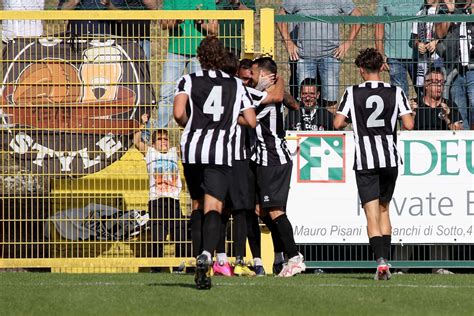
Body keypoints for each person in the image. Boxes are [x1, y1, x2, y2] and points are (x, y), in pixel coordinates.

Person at [173, 36, 256, 289]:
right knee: (214, 206)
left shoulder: (188, 79)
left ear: (200, 57)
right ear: (221, 58)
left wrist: (193, 124)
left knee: (197, 203)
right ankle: (207, 255)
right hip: (219, 152)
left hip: (192, 150)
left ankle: (198, 256)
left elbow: (178, 113)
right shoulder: (235, 84)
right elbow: (251, 120)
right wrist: (230, 121)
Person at [334, 48, 414, 280]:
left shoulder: (353, 92)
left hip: (366, 159)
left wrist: (352, 118)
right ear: (382, 67)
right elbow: (408, 124)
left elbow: (338, 122)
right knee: (384, 209)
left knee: (371, 214)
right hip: (389, 158)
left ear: (361, 70)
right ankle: (387, 261)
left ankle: (380, 262)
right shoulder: (395, 91)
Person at [250, 57, 306, 277]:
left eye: (254, 74)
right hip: (263, 160)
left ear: (265, 76)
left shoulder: (258, 94)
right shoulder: (264, 93)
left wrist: (278, 84)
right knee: (260, 210)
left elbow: (289, 101)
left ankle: (294, 257)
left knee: (275, 210)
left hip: (273, 158)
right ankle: (283, 255)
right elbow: (288, 101)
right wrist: (279, 84)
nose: (250, 79)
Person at [278, 0, 362, 110]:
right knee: (305, 100)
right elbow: (280, 16)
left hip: (331, 57)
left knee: (330, 101)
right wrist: (288, 42)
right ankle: (305, 126)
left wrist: (348, 42)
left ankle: (329, 126)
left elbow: (358, 16)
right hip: (304, 57)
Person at [133, 116, 188, 260]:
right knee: (158, 237)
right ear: (153, 143)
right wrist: (142, 124)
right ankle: (156, 267)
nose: (163, 141)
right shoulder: (151, 152)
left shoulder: (173, 152)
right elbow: (137, 141)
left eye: (165, 139)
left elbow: (186, 143)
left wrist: (182, 126)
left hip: (173, 201)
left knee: (180, 235)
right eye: (159, 139)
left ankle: (179, 265)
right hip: (156, 201)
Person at [158, 0, 217, 128]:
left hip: (199, 54)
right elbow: (163, 24)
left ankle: (200, 131)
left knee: (200, 94)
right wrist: (176, 21)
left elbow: (214, 29)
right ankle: (160, 135)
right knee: (166, 94)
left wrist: (201, 22)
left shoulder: (209, 1)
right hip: (175, 51)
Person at [435, 0, 473, 129]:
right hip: (453, 68)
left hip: (472, 67)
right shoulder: (444, 8)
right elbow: (440, 33)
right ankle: (466, 144)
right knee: (460, 111)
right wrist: (450, 13)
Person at [375, 0, 421, 97]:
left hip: (420, 55)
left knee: (425, 93)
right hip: (394, 55)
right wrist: (380, 54)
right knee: (399, 97)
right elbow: (379, 25)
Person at [412, 0, 444, 94]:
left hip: (440, 57)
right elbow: (415, 39)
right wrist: (419, 44)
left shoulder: (443, 12)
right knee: (425, 88)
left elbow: (448, 35)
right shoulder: (420, 13)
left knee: (439, 86)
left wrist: (436, 41)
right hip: (423, 59)